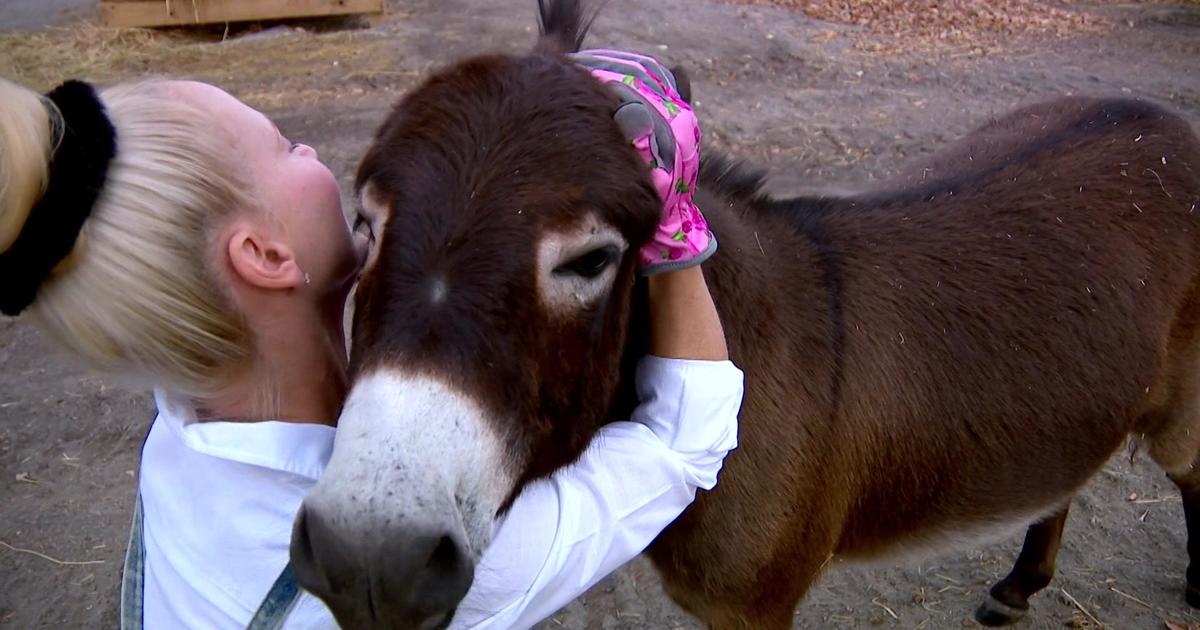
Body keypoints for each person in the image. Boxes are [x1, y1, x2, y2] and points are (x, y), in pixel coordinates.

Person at [0, 49, 742, 630]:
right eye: (287, 147)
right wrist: (669, 210)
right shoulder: (437, 564)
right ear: (263, 255)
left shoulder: (181, 431)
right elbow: (687, 442)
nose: (315, 154)